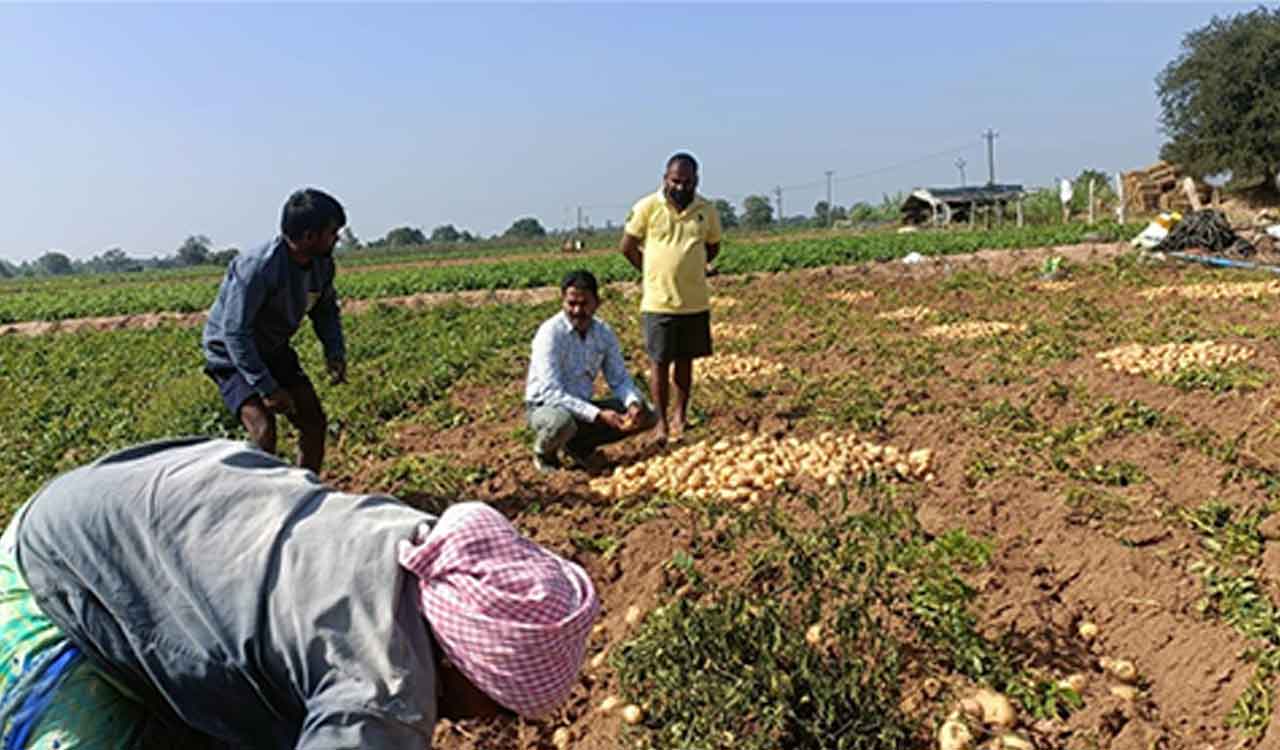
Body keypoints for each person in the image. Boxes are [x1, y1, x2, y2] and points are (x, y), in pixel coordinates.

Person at [0, 437, 599, 748]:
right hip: (63, 581)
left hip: (135, 507)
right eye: (498, 705)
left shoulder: (417, 544)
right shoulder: (383, 689)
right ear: (466, 664)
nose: (491, 722)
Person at [202, 188, 349, 475]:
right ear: (309, 236)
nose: (337, 238)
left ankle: (305, 494)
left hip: (272, 348)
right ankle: (251, 502)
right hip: (231, 355)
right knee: (264, 429)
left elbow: (325, 310)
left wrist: (334, 351)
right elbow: (235, 333)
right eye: (332, 231)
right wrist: (267, 387)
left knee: (313, 421)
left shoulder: (322, 264)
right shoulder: (258, 268)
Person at [620, 152, 722, 443]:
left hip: (694, 300)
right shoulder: (648, 207)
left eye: (687, 182)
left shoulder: (707, 210)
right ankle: (661, 422)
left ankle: (681, 416)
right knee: (659, 363)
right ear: (665, 178)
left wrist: (695, 263)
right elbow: (627, 246)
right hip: (659, 301)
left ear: (696, 181)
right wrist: (650, 271)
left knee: (686, 362)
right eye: (675, 181)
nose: (680, 187)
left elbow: (713, 246)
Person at [525, 270, 656, 472]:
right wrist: (598, 414)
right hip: (545, 407)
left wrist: (632, 403)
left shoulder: (603, 333)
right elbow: (551, 393)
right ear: (562, 301)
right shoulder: (550, 333)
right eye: (571, 303)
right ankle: (545, 454)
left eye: (584, 304)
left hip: (582, 407)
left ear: (597, 303)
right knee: (561, 422)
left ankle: (579, 446)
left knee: (647, 414)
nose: (577, 310)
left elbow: (619, 378)